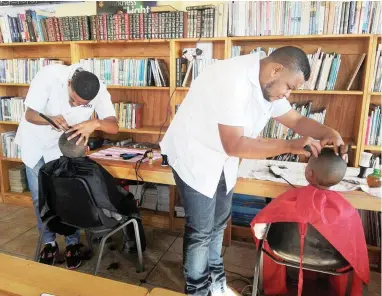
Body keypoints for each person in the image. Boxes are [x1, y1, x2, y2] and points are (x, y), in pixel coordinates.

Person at [159, 46, 347, 296]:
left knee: (218, 224)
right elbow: (235, 144)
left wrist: (328, 133)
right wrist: (290, 145)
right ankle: (196, 288)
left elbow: (295, 120)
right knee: (201, 230)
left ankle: (216, 280)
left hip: (222, 157)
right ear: (276, 70)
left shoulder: (268, 83)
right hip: (194, 155)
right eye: (289, 87)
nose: (288, 94)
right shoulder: (231, 79)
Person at [15, 63, 119, 269]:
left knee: (68, 198)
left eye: (81, 104)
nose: (74, 105)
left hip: (65, 149)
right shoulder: (49, 76)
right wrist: (50, 120)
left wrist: (95, 124)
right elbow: (29, 114)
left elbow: (114, 126)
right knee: (39, 199)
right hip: (35, 144)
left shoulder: (98, 89)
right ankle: (49, 243)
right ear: (70, 83)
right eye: (73, 99)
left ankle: (73, 244)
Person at [251, 148, 369, 296]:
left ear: (309, 173)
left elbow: (259, 228)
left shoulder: (287, 201)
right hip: (333, 260)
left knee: (266, 240)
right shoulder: (347, 212)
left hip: (283, 250)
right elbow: (355, 250)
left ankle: (274, 286)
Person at [38, 132, 146, 260]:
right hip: (96, 220)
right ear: (87, 149)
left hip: (63, 217)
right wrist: (128, 199)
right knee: (130, 205)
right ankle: (133, 247)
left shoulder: (48, 168)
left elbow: (44, 201)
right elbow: (111, 200)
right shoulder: (93, 171)